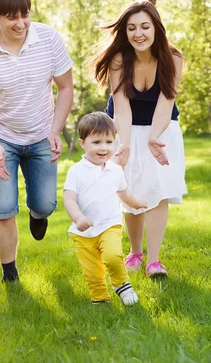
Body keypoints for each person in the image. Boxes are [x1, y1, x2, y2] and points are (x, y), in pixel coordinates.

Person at [0, 0, 73, 283]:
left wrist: (56, 129)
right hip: (1, 139)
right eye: (12, 17)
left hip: (41, 135)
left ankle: (38, 215)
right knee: (2, 208)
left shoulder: (49, 39)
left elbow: (65, 87)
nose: (21, 23)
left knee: (45, 204)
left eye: (25, 15)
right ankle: (9, 272)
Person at [91, 1, 187, 279]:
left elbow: (166, 104)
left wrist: (154, 138)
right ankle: (135, 252)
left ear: (156, 28)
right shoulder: (120, 60)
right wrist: (126, 144)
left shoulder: (172, 59)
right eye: (132, 28)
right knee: (131, 192)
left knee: (158, 193)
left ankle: (154, 261)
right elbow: (121, 108)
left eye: (145, 26)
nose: (138, 33)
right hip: (126, 129)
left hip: (162, 130)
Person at [63, 112, 147, 305]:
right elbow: (69, 200)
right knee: (92, 270)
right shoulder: (76, 171)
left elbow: (124, 193)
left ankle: (122, 285)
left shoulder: (115, 170)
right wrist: (78, 218)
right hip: (83, 232)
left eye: (109, 142)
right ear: (83, 143)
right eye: (97, 142)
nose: (104, 148)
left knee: (112, 255)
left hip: (110, 224)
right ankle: (100, 298)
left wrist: (137, 203)